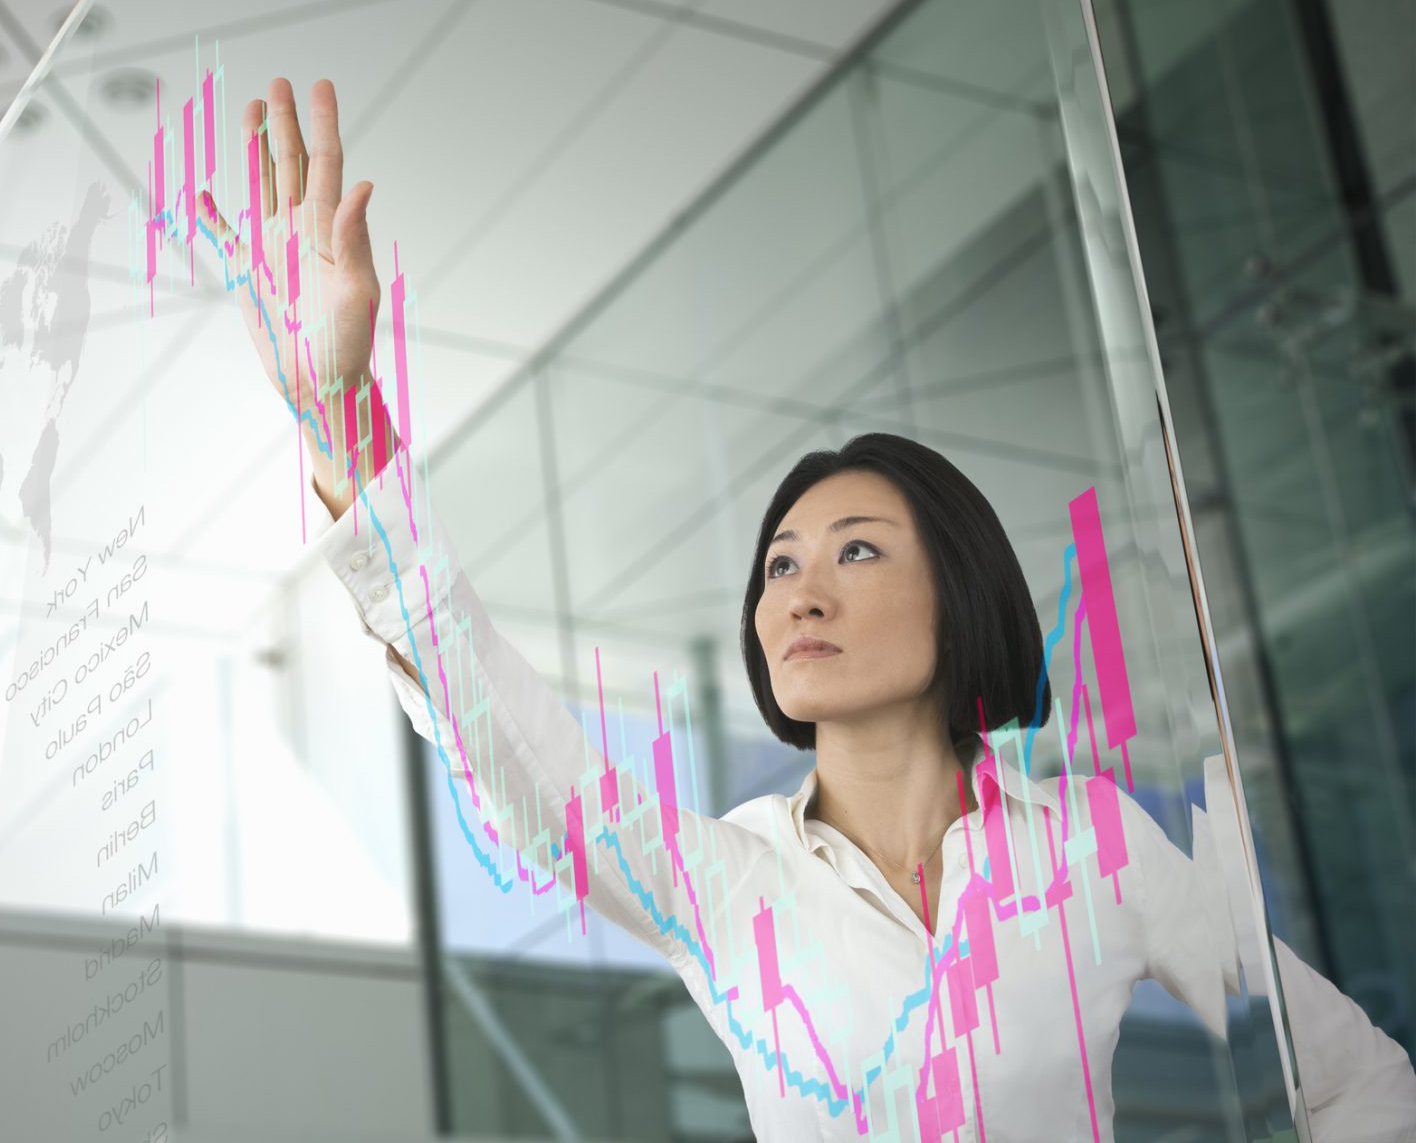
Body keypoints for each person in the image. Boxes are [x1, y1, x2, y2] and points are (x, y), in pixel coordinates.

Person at [202, 77, 1416, 1141]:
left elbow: (1358, 1080)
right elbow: (511, 743)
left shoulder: (1089, 846)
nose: (801, 591)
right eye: (779, 566)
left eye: (856, 550)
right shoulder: (735, 881)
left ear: (959, 590)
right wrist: (343, 415)